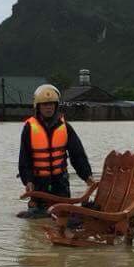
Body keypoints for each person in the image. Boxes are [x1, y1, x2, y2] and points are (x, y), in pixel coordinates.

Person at [17, 84, 94, 219]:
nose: (48, 107)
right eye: (45, 104)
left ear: (56, 106)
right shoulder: (29, 128)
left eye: (51, 104)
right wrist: (28, 180)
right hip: (38, 182)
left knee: (63, 215)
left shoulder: (65, 127)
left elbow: (77, 155)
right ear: (38, 107)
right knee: (37, 217)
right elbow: (25, 158)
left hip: (60, 181)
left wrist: (87, 176)